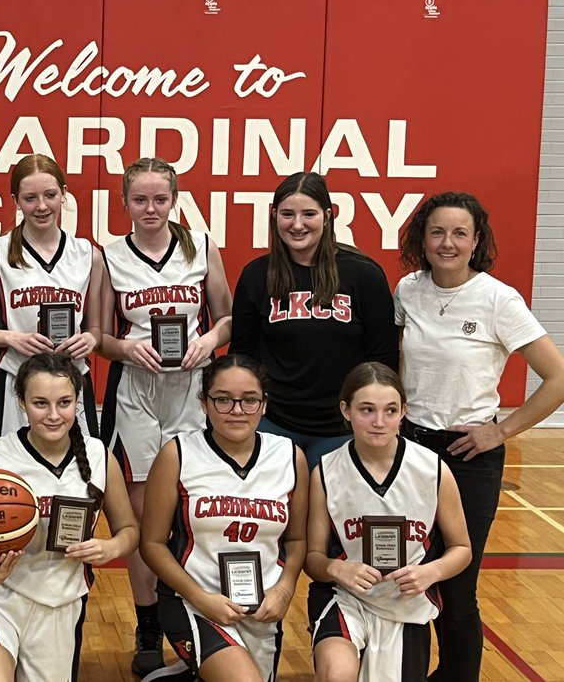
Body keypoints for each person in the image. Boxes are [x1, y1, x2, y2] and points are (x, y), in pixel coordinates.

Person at [395, 191, 564, 682]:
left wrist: (501, 430)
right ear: (422, 239)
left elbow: (556, 378)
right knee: (405, 577)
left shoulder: (498, 298)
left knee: (457, 584)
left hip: (468, 455)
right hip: (409, 448)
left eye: (459, 233)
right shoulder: (408, 290)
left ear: (476, 241)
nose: (447, 243)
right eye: (437, 232)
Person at [97, 157, 234, 679]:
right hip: (137, 391)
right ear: (125, 202)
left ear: (174, 200)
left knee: (196, 507)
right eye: (140, 199)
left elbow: (225, 318)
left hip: (193, 389)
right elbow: (98, 335)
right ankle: (148, 622)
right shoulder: (108, 256)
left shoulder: (202, 246)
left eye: (160, 199)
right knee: (138, 514)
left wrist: (207, 340)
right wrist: (126, 350)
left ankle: (201, 618)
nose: (150, 208)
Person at [0, 353, 139, 682]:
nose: (54, 415)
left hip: (61, 601)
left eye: (64, 402)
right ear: (22, 402)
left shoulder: (99, 456)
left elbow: (129, 531)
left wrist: (109, 549)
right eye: (41, 403)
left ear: (78, 401)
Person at [139, 354, 308, 682]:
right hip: (193, 602)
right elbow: (152, 544)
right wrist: (200, 597)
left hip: (261, 607)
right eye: (223, 400)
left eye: (249, 400)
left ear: (264, 404)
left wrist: (285, 590)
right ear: (204, 403)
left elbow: (298, 540)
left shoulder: (289, 456)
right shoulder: (178, 454)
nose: (236, 410)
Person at [307, 362, 471, 682]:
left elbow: (462, 548)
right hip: (346, 598)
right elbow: (313, 559)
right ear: (346, 410)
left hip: (406, 604)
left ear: (403, 412)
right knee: (336, 674)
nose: (379, 422)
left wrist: (430, 572)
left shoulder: (432, 470)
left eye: (390, 410)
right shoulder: (326, 472)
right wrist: (338, 569)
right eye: (367, 410)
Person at [231, 171, 398, 468]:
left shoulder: (364, 275)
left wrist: (369, 417)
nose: (297, 225)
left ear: (328, 215)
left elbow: (382, 359)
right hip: (273, 425)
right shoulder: (256, 275)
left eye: (309, 214)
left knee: (331, 514)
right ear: (273, 216)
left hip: (341, 428)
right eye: (287, 214)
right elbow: (242, 356)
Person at [0, 153, 104, 448]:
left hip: (71, 384)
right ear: (15, 200)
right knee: (9, 481)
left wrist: (90, 340)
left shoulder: (88, 255)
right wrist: (11, 337)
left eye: (50, 195)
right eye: (30, 198)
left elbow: (96, 329)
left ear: (63, 195)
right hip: (14, 383)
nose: (41, 206)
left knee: (82, 479)